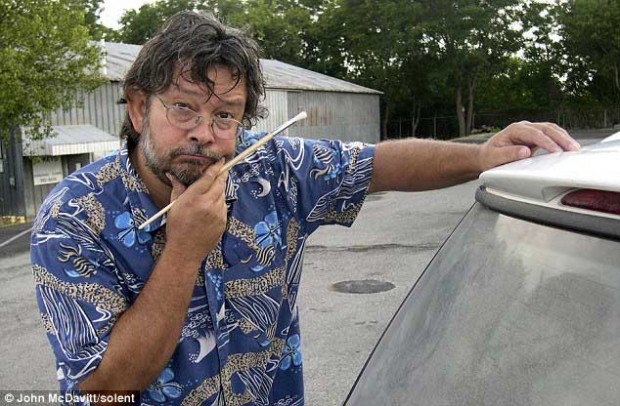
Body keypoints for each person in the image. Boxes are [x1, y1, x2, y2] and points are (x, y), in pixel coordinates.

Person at [30, 11, 580, 406]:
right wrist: (183, 251)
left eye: (225, 115)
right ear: (137, 106)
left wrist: (480, 156)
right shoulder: (74, 217)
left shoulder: (268, 169)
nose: (204, 133)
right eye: (183, 108)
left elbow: (381, 164)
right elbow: (104, 386)